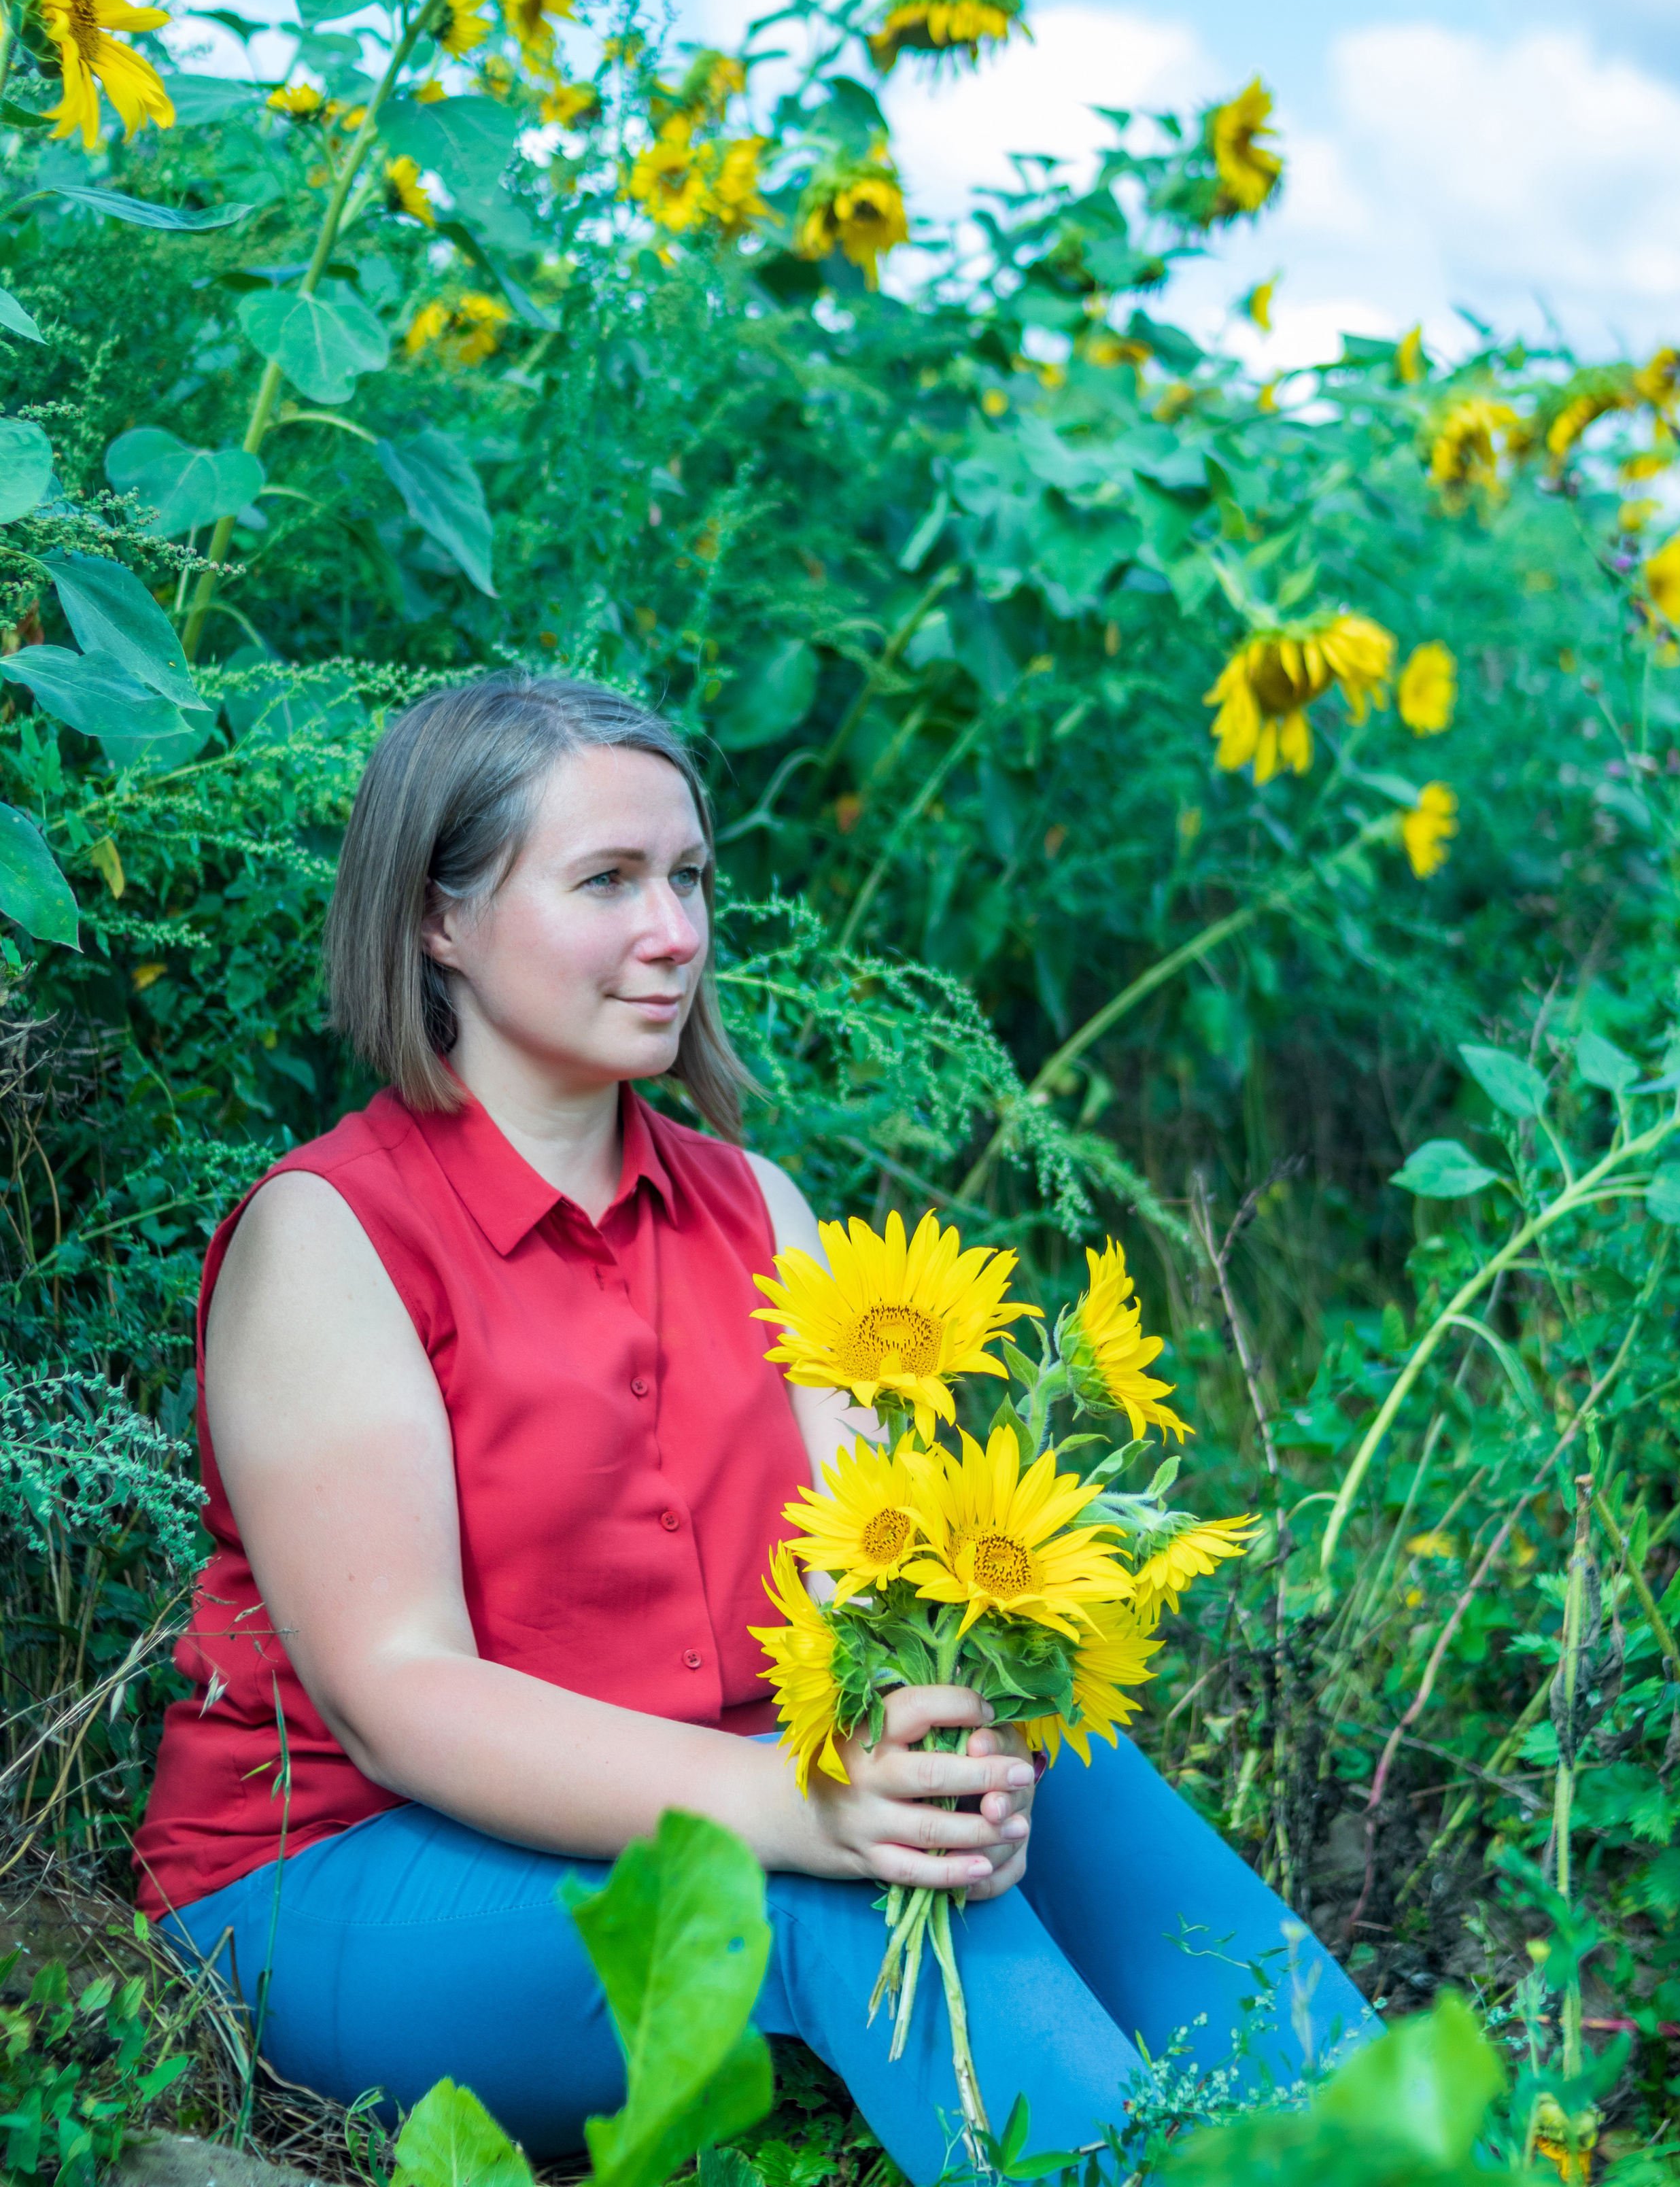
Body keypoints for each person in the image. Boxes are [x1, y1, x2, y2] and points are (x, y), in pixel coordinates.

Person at [137, 676, 1375, 2184]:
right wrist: (798, 1812)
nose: (675, 932)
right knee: (824, 1899)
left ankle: (1400, 2149)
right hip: (337, 1882)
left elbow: (867, 1581)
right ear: (437, 920)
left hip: (708, 1811)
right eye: (606, 882)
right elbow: (400, 1697)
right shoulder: (329, 1237)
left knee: (1054, 1766)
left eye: (688, 877)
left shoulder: (757, 1210)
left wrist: (934, 1752)